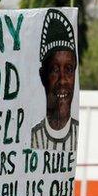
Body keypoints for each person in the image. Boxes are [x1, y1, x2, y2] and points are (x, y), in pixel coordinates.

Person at [30, 9, 79, 151]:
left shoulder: (81, 136)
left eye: (69, 69)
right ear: (42, 75)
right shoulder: (32, 138)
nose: (62, 80)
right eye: (54, 70)